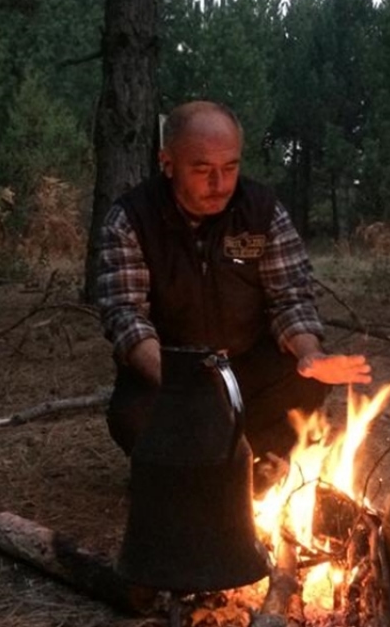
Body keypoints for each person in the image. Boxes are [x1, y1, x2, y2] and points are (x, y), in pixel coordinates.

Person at [95, 100, 372, 466]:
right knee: (133, 416)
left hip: (247, 368)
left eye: (230, 167)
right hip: (173, 373)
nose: (220, 184)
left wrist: (309, 354)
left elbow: (289, 300)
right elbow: (127, 318)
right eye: (202, 169)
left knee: (306, 380)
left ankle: (255, 465)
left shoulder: (262, 211)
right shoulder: (132, 219)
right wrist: (184, 383)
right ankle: (196, 470)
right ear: (167, 163)